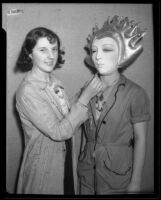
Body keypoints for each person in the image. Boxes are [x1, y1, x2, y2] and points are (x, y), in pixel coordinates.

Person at [15, 27, 104, 194]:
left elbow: (64, 114)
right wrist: (85, 98)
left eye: (54, 49)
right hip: (44, 166)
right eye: (43, 50)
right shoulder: (28, 90)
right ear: (29, 54)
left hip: (64, 157)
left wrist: (84, 92)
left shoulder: (53, 80)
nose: (51, 56)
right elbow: (58, 132)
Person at [77, 15, 151, 194]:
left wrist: (136, 181)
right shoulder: (86, 90)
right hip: (87, 175)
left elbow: (141, 139)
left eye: (107, 49)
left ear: (121, 54)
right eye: (94, 51)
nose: (98, 57)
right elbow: (83, 136)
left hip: (117, 178)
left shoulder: (136, 93)